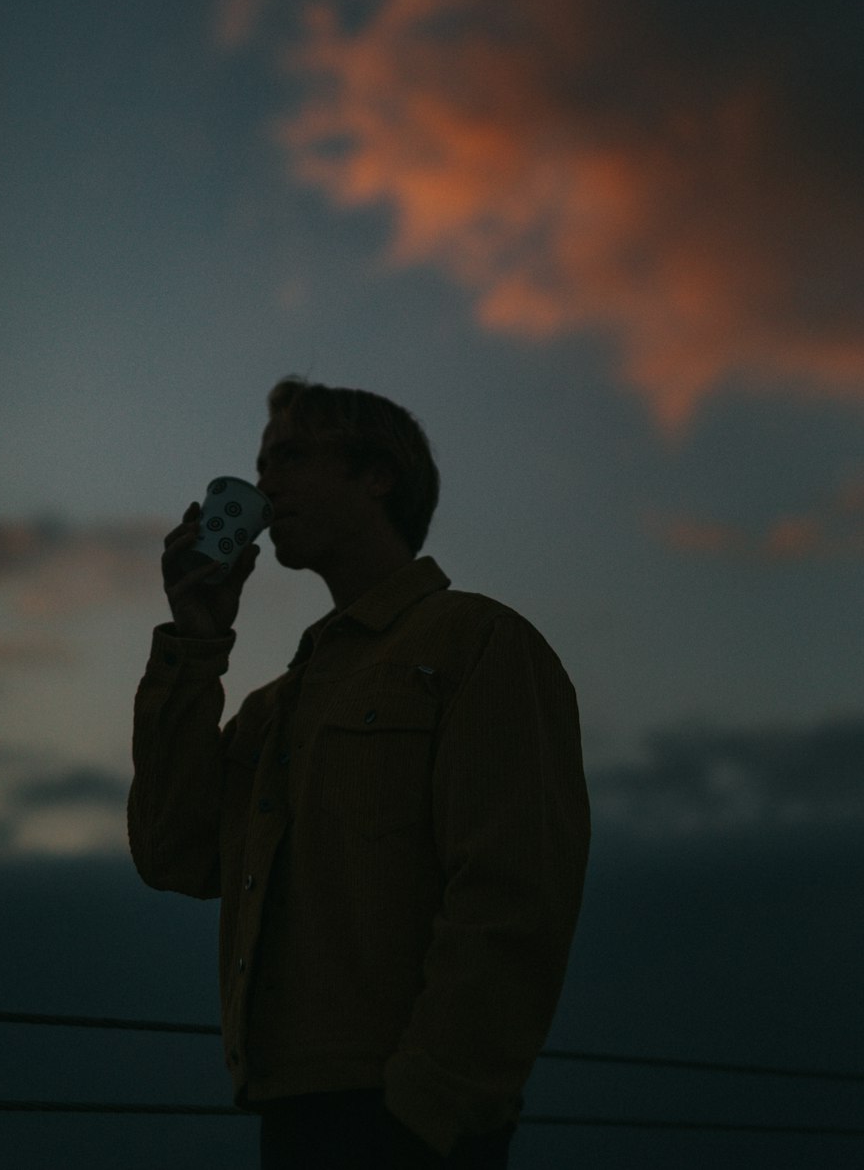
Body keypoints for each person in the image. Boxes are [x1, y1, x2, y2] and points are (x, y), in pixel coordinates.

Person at [128, 379, 590, 1168]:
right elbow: (177, 849)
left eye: (293, 457)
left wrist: (428, 1106)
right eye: (261, 463)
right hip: (293, 1108)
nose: (265, 484)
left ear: (378, 475)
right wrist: (197, 641)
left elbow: (514, 890)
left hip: (407, 1118)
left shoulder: (475, 641)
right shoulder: (280, 706)